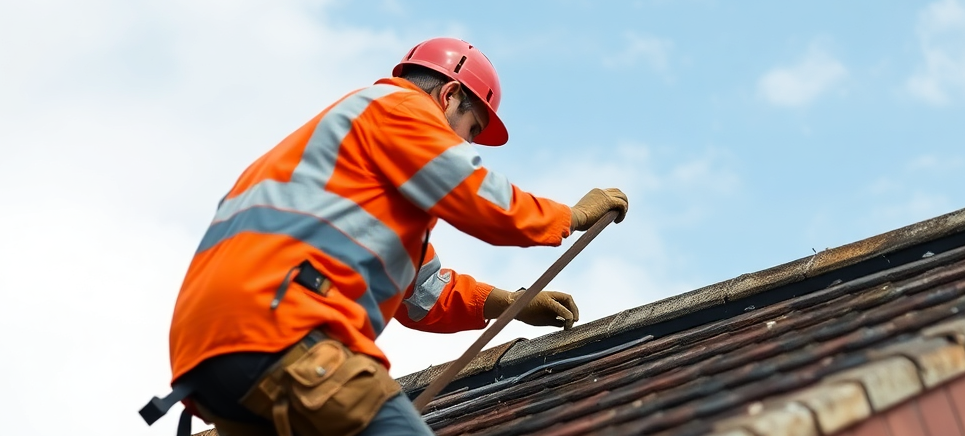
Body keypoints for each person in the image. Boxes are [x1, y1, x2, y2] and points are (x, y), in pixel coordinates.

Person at [162, 37, 628, 436]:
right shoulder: (400, 109)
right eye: (470, 130)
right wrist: (571, 215)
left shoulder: (343, 163)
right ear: (448, 96)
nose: (464, 146)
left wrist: (509, 302)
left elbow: (421, 292)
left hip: (209, 358)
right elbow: (481, 197)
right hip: (282, 330)